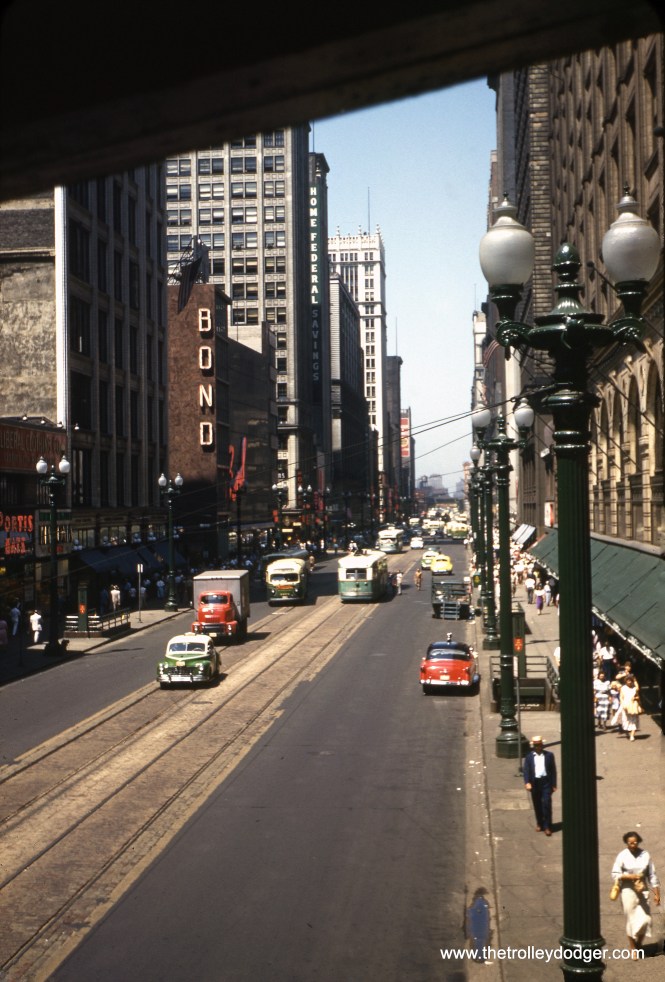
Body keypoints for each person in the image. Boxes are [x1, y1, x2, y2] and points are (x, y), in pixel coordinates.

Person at [611, 831, 660, 956]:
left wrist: (657, 894)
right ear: (626, 843)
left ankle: (639, 943)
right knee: (631, 919)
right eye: (630, 843)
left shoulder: (645, 855)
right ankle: (633, 947)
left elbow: (652, 875)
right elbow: (615, 874)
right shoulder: (622, 856)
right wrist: (630, 876)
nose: (633, 845)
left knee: (646, 919)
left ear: (638, 841)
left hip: (642, 888)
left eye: (635, 842)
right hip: (628, 890)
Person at [523, 735, 557, 836]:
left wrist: (554, 784)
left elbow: (553, 770)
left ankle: (547, 826)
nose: (538, 747)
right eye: (536, 745)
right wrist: (527, 782)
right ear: (533, 746)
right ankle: (540, 823)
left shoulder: (549, 755)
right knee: (537, 804)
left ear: (542, 745)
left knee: (546, 804)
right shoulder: (529, 757)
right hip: (535, 783)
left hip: (546, 782)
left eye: (539, 745)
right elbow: (526, 770)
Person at [618, 674, 642, 741]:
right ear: (625, 681)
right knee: (626, 720)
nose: (629, 682)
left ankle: (632, 736)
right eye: (628, 680)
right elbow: (621, 697)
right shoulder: (623, 688)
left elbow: (638, 694)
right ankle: (629, 731)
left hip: (633, 706)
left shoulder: (634, 688)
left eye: (630, 680)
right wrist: (623, 704)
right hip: (626, 706)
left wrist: (635, 698)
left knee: (633, 721)